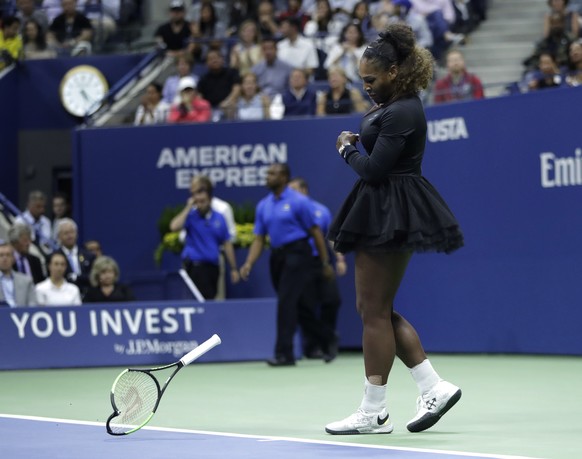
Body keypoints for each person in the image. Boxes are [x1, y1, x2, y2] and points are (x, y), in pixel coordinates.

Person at [324, 24, 464, 435]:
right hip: (388, 207)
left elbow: (374, 169)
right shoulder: (397, 104)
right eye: (362, 80)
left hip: (390, 208)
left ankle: (373, 411)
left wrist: (346, 148)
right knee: (376, 310)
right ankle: (432, 387)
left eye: (371, 79)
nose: (366, 86)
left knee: (372, 312)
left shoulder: (403, 109)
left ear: (394, 72)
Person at [239, 163, 334, 366]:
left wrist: (325, 262)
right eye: (267, 173)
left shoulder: (299, 202)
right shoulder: (263, 205)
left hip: (298, 254)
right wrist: (248, 263)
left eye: (272, 173)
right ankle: (327, 338)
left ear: (284, 177)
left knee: (286, 303)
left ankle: (284, 354)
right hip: (277, 256)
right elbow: (258, 238)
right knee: (297, 306)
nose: (267, 177)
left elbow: (316, 232)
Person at [288, 177, 346, 362]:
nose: (290, 195)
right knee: (305, 306)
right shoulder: (289, 213)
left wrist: (339, 258)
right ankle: (315, 345)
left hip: (322, 263)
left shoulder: (321, 211)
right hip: (301, 265)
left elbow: (330, 237)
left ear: (304, 190)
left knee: (332, 301)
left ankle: (327, 341)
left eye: (294, 190)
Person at [169, 184, 240, 300]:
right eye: (198, 202)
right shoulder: (190, 216)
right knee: (196, 302)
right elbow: (173, 227)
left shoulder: (219, 218)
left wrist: (233, 268)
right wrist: (188, 207)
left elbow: (227, 243)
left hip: (213, 267)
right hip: (195, 266)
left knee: (211, 300)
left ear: (210, 200)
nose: (200, 205)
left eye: (203, 201)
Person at [54, 217, 96, 295]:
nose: (70, 236)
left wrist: (76, 277)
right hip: (63, 295)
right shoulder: (54, 257)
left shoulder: (88, 256)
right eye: (66, 233)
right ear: (59, 237)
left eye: (72, 232)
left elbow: (93, 277)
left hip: (88, 295)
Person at [14, 190, 54, 255]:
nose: (42, 210)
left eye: (43, 207)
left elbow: (49, 243)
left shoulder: (46, 222)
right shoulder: (20, 221)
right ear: (29, 205)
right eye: (38, 207)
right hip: (27, 255)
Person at [0, 239, 38, 307]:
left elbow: (33, 305)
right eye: (1, 255)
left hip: (22, 316)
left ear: (13, 258)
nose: (4, 258)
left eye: (8, 255)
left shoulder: (26, 281)